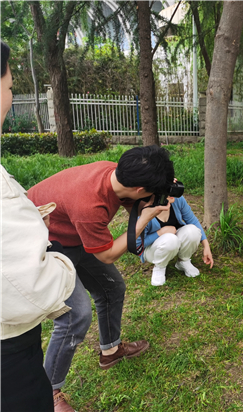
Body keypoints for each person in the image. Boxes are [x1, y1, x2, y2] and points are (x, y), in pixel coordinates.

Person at [27, 145, 173, 411]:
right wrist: (145, 218)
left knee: (111, 288)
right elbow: (107, 255)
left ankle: (110, 351)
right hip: (45, 243)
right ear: (140, 189)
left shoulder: (114, 172)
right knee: (75, 316)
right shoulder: (89, 204)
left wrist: (152, 198)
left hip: (74, 233)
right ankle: (48, 391)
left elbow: (130, 202)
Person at [1, 41, 77, 412]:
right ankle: (55, 388)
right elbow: (36, 286)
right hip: (10, 355)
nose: (10, 98)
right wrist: (54, 253)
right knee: (78, 313)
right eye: (10, 87)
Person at [140, 193, 214, 286]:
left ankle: (183, 261)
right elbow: (137, 244)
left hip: (173, 241)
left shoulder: (177, 199)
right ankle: (159, 267)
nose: (173, 192)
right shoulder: (144, 208)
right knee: (170, 239)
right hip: (152, 250)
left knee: (193, 231)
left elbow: (193, 221)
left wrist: (206, 246)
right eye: (168, 189)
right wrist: (160, 233)